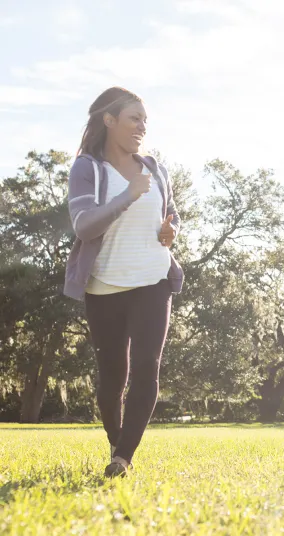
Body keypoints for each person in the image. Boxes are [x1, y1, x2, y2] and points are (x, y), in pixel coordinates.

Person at [64, 87, 183, 478]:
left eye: (145, 120)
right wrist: (128, 196)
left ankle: (123, 458)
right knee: (113, 375)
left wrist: (170, 232)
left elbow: (172, 216)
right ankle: (117, 443)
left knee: (147, 366)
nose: (142, 126)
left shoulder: (155, 167)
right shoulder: (88, 168)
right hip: (105, 286)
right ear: (109, 120)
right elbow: (83, 225)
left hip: (153, 280)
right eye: (134, 118)